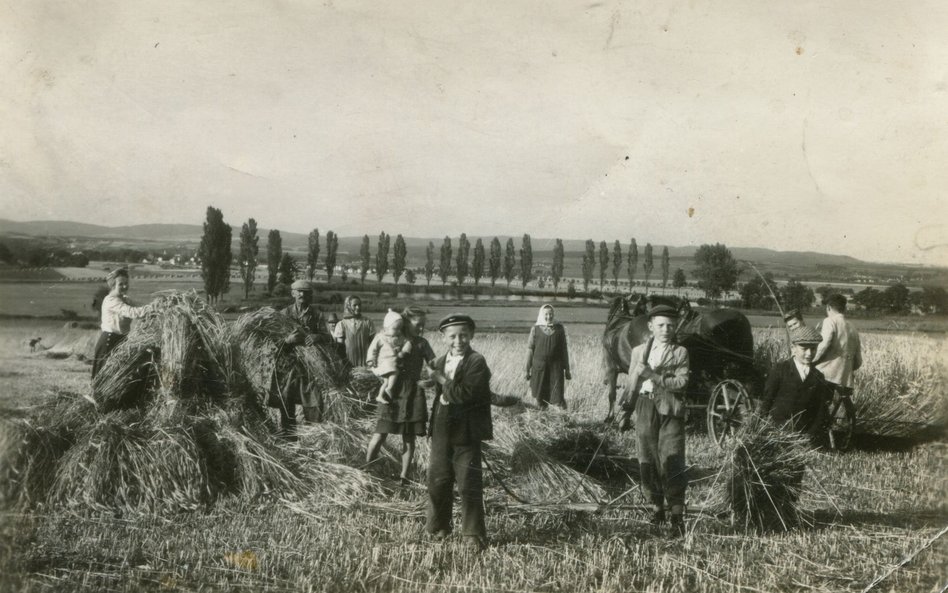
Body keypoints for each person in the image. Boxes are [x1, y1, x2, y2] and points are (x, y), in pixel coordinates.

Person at [425, 314, 493, 552]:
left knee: (468, 483)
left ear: (472, 335)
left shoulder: (477, 362)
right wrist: (425, 381)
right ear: (443, 338)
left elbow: (465, 394)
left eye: (463, 334)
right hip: (442, 427)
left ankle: (473, 534)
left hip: (467, 429)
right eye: (452, 336)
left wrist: (440, 379)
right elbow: (433, 385)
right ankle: (438, 528)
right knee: (437, 480)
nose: (458, 340)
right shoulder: (439, 361)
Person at [624, 304, 690, 537]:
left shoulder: (680, 352)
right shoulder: (638, 352)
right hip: (645, 405)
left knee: (672, 458)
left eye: (670, 325)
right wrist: (626, 410)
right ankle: (656, 508)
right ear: (651, 326)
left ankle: (677, 515)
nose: (666, 330)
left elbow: (681, 383)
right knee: (648, 458)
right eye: (660, 325)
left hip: (670, 408)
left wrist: (652, 374)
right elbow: (632, 384)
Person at [365, 306, 436, 483]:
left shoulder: (422, 343)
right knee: (381, 432)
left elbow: (433, 364)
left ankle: (404, 476)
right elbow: (374, 356)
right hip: (392, 392)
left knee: (409, 437)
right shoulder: (391, 338)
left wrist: (431, 378)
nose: (421, 329)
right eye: (418, 324)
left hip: (413, 393)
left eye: (423, 325)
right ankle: (367, 467)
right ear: (406, 322)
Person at [268, 280, 333, 436]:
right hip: (288, 365)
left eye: (306, 292)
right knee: (286, 398)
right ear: (293, 294)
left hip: (309, 367)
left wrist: (317, 337)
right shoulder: (283, 314)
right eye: (299, 291)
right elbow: (272, 342)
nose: (302, 294)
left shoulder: (316, 315)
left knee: (313, 399)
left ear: (310, 295)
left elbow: (328, 337)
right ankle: (288, 436)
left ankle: (314, 436)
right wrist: (287, 341)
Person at [760, 326, 834, 440]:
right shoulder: (780, 370)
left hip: (802, 435)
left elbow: (820, 410)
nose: (809, 353)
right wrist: (761, 429)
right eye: (804, 349)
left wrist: (810, 435)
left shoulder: (818, 377)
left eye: (813, 349)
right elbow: (767, 400)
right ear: (793, 348)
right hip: (776, 432)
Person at [91, 268, 152, 379]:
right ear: (113, 285)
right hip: (109, 343)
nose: (125, 286)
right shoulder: (111, 300)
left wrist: (157, 306)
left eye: (126, 283)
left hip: (121, 341)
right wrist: (154, 307)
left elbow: (140, 308)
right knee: (105, 379)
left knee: (120, 378)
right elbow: (133, 312)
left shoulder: (125, 299)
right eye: (121, 284)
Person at [813, 294, 862, 402]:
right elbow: (858, 360)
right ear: (844, 308)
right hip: (845, 378)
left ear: (828, 307)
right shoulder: (852, 327)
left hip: (827, 373)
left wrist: (811, 361)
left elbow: (823, 345)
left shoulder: (830, 321)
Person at [524, 304, 571, 409]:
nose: (549, 317)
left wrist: (567, 369)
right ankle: (541, 420)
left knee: (558, 400)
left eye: (551, 314)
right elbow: (530, 350)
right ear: (541, 315)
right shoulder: (535, 330)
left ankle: (562, 420)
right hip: (539, 369)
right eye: (546, 314)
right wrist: (526, 370)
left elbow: (564, 350)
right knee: (539, 400)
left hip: (556, 369)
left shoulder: (559, 329)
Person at [367, 310, 413, 404]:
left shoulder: (399, 337)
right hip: (383, 362)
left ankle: (380, 396)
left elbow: (408, 342)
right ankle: (390, 389)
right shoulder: (380, 337)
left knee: (387, 380)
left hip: (392, 362)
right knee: (395, 371)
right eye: (395, 329)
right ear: (386, 327)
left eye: (400, 329)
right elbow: (373, 349)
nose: (398, 331)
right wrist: (371, 360)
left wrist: (404, 351)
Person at [332, 296, 376, 367]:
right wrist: (344, 363)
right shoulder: (342, 324)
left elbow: (374, 343)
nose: (358, 307)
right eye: (354, 305)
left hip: (366, 364)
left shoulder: (367, 322)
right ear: (348, 306)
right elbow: (340, 348)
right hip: (348, 364)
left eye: (359, 305)